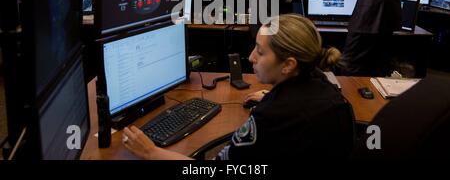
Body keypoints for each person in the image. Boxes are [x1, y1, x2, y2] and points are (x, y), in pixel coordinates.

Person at [122, 14, 355, 160]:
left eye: (261, 52)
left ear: (288, 65)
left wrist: (152, 153)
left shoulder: (273, 117)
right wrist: (273, 98)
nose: (251, 57)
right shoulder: (322, 85)